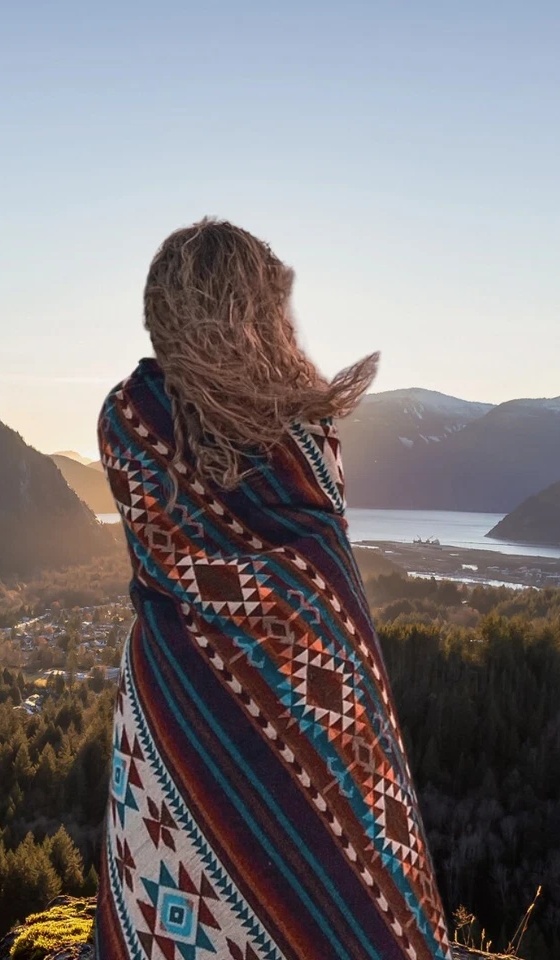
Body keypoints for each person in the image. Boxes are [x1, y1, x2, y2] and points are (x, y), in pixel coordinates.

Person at [96, 219, 452, 960]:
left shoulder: (127, 421)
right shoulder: (306, 438)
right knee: (339, 899)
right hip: (307, 685)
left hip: (175, 698)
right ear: (256, 316)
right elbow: (313, 546)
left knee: (174, 909)